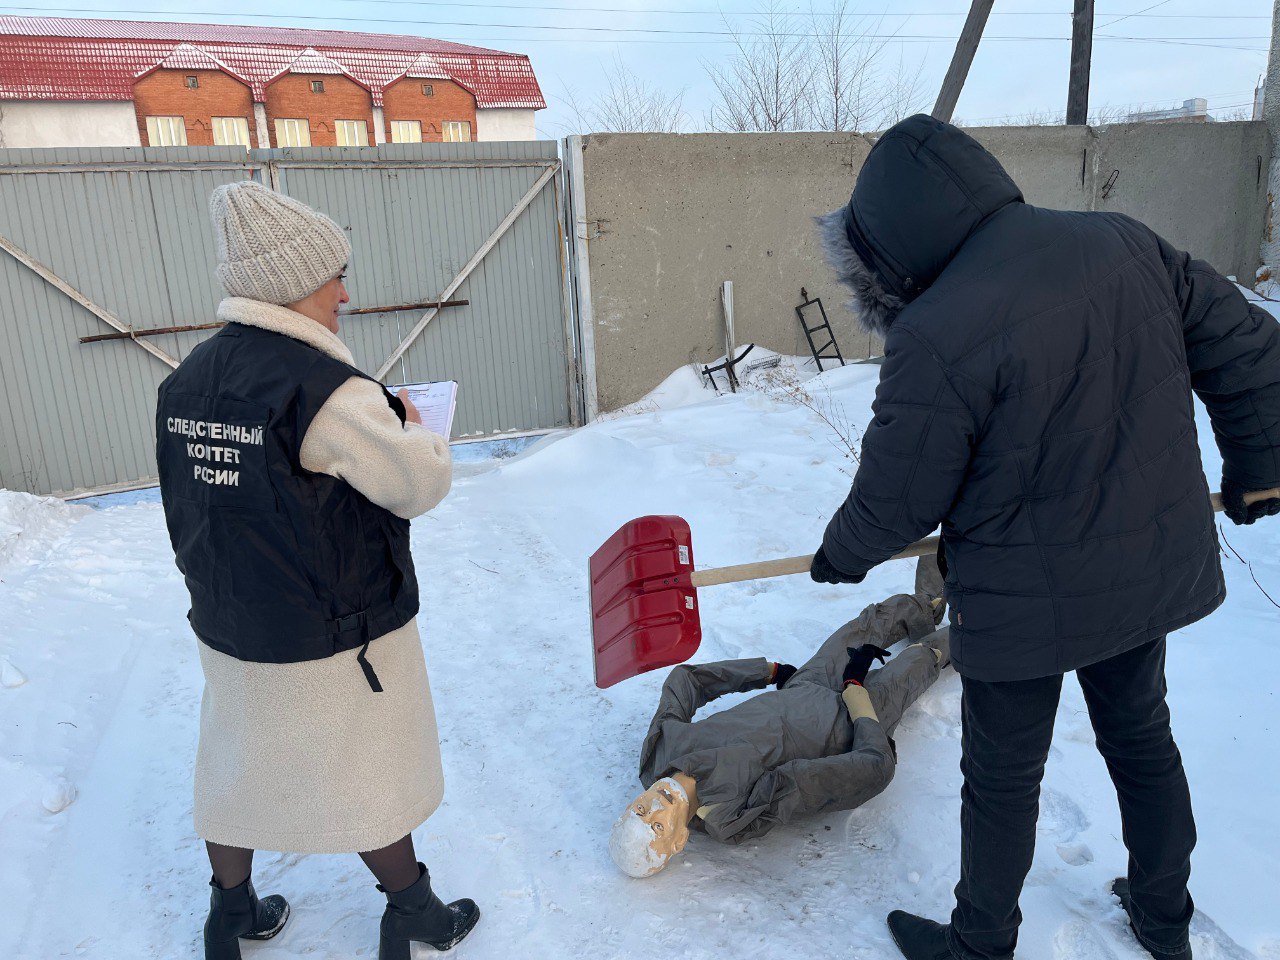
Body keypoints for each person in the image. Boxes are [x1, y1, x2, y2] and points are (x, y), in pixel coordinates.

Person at [810, 114, 1280, 960]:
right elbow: (1249, 346)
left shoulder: (934, 329)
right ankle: (1164, 915)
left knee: (1001, 779)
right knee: (1142, 737)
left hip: (1022, 603)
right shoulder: (1125, 242)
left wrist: (841, 554)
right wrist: (1262, 466)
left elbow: (898, 497)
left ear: (889, 250)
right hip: (1143, 567)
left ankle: (981, 943)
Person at [155, 180, 480, 960]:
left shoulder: (185, 381)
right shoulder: (324, 391)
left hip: (231, 619)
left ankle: (230, 915)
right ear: (296, 284)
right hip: (333, 634)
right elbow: (416, 484)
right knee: (369, 773)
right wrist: (412, 430)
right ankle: (413, 911)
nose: (344, 290)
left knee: (237, 769)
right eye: (336, 272)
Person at [609, 558, 947, 878]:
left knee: (867, 624)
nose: (656, 807)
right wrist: (860, 705)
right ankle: (978, 630)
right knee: (919, 660)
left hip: (804, 684)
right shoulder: (733, 814)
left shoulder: (657, 756)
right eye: (658, 826)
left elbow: (685, 681)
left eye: (640, 811)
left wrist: (768, 672)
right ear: (679, 841)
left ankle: (929, 605)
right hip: (845, 720)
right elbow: (873, 770)